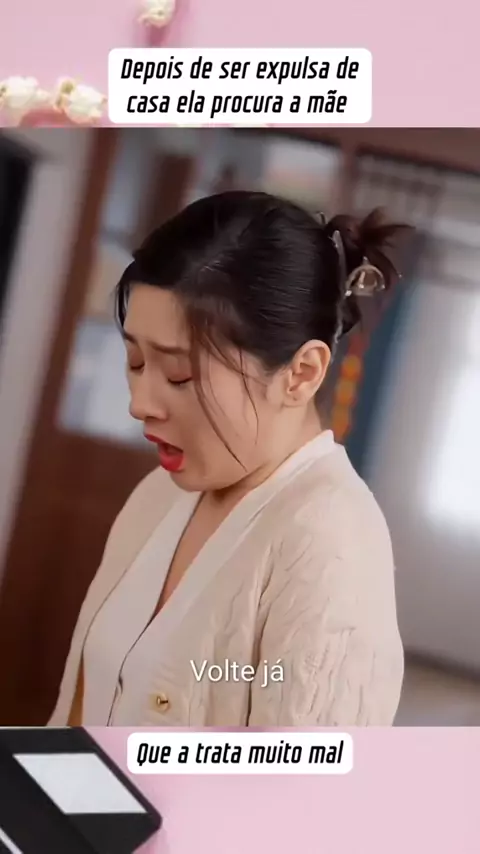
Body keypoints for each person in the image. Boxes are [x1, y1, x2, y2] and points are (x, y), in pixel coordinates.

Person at [50, 190, 407, 727]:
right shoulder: (159, 493)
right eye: (136, 361)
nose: (140, 404)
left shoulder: (330, 544)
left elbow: (310, 777)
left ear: (302, 373)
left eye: (179, 375)